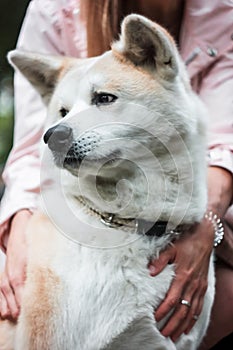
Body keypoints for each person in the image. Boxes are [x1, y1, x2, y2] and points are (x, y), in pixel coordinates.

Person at [0, 0, 232, 348]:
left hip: (200, 209)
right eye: (63, 112)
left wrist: (205, 225)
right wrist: (18, 227)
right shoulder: (54, 9)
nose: (63, 127)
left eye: (104, 99)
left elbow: (226, 140)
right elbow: (31, 149)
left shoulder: (222, 10)